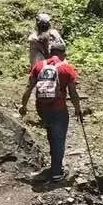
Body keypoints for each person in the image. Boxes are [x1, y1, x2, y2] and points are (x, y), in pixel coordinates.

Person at [19, 38, 81, 181]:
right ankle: (57, 172)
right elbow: (73, 93)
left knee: (51, 135)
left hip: (42, 108)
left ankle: (54, 166)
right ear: (62, 54)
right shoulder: (67, 68)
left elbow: (29, 88)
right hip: (59, 109)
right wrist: (77, 109)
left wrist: (23, 105)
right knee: (59, 138)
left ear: (50, 53)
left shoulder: (39, 66)